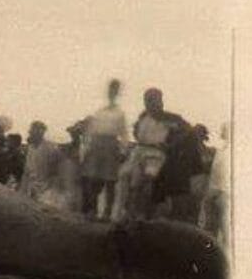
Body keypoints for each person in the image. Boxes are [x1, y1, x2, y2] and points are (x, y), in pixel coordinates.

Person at [122, 88, 187, 220]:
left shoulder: (171, 118)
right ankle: (132, 214)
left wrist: (171, 144)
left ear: (160, 100)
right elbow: (136, 130)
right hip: (139, 151)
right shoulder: (143, 116)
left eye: (153, 99)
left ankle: (148, 214)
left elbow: (186, 131)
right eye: (147, 100)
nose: (150, 103)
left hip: (156, 153)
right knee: (130, 180)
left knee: (149, 180)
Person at [80, 79, 129, 220]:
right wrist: (87, 148)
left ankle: (107, 213)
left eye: (115, 90)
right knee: (93, 179)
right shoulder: (99, 112)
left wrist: (123, 150)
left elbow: (124, 133)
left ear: (117, 93)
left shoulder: (120, 113)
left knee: (110, 181)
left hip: (111, 144)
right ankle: (92, 211)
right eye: (110, 90)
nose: (111, 93)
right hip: (96, 144)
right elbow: (91, 131)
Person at [202, 122, 230, 251]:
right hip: (213, 192)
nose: (222, 131)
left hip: (225, 194)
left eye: (226, 129)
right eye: (223, 129)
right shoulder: (221, 149)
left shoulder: (237, 150)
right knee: (209, 230)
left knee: (226, 230)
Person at [19, 121, 62, 203]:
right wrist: (22, 189)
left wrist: (50, 190)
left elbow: (55, 172)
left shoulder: (51, 148)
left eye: (33, 131)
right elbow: (26, 171)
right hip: (30, 187)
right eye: (31, 130)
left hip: (45, 189)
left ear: (41, 132)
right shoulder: (30, 148)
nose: (30, 133)